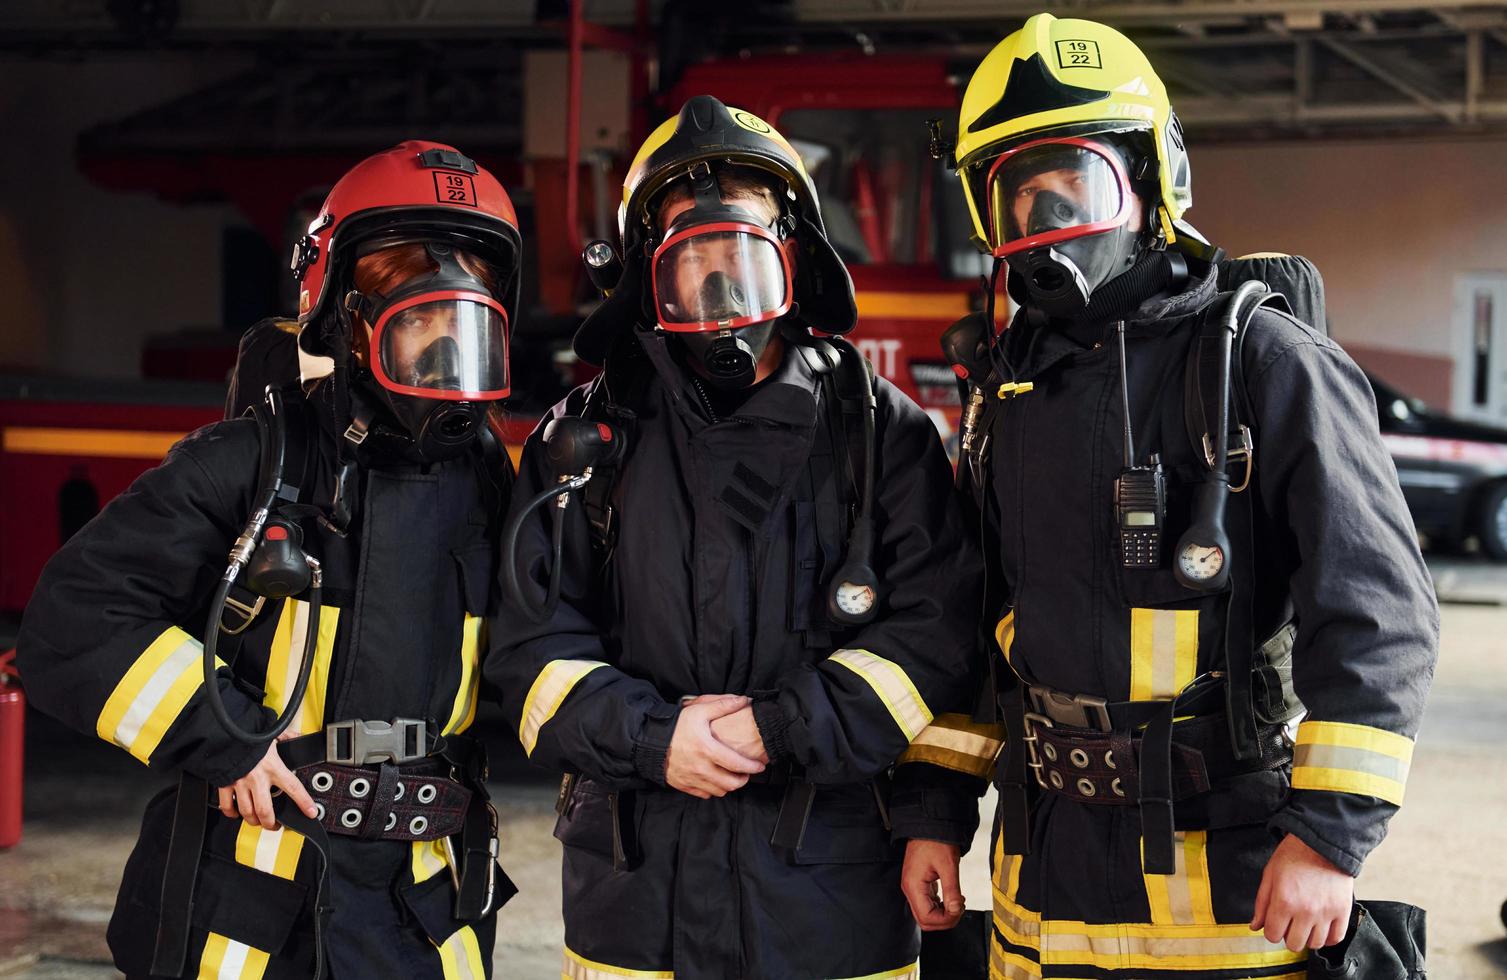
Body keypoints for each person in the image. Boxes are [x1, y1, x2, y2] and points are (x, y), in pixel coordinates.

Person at [890, 14, 1438, 979]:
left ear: (1150, 184)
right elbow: (970, 632)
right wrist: (935, 813)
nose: (1044, 227)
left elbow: (1379, 616)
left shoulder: (1263, 362)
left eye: (1075, 186)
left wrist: (1326, 839)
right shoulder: (1006, 393)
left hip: (1232, 890)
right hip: (1041, 885)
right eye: (1015, 198)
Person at [487, 95, 980, 979]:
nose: (722, 292)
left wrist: (780, 731)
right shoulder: (579, 443)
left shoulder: (882, 434)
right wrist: (651, 740)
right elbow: (527, 652)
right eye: (692, 260)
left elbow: (936, 640)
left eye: (745, 256)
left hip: (830, 898)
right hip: (634, 901)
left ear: (793, 261)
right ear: (647, 274)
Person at [17, 140, 522, 979]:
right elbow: (72, 621)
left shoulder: (491, 488)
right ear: (346, 318)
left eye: (463, 317)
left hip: (425, 905)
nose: (444, 344)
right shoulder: (250, 463)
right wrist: (224, 735)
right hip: (253, 898)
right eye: (418, 316)